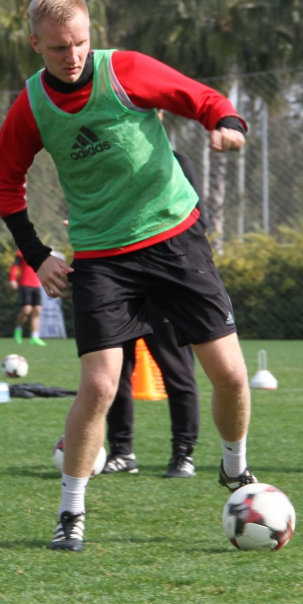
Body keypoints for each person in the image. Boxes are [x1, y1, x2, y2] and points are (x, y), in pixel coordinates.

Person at [0, 0, 255, 553]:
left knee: (232, 376)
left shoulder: (125, 71)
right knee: (99, 386)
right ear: (35, 44)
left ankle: (234, 467)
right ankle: (70, 512)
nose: (73, 56)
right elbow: (4, 181)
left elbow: (201, 97)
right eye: (58, 47)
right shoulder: (31, 106)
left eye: (81, 42)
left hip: (175, 239)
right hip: (102, 258)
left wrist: (228, 123)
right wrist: (38, 254)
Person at [101, 148, 205, 479]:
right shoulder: (111, 162)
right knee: (114, 372)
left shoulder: (176, 161)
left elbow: (197, 218)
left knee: (177, 371)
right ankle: (122, 452)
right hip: (119, 283)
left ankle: (183, 454)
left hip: (163, 282)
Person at [9, 249, 46, 345]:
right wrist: (12, 279)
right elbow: (15, 265)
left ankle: (35, 337)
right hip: (25, 284)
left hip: (36, 285)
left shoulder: (39, 251)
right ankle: (18, 331)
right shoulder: (21, 251)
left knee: (37, 310)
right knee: (26, 310)